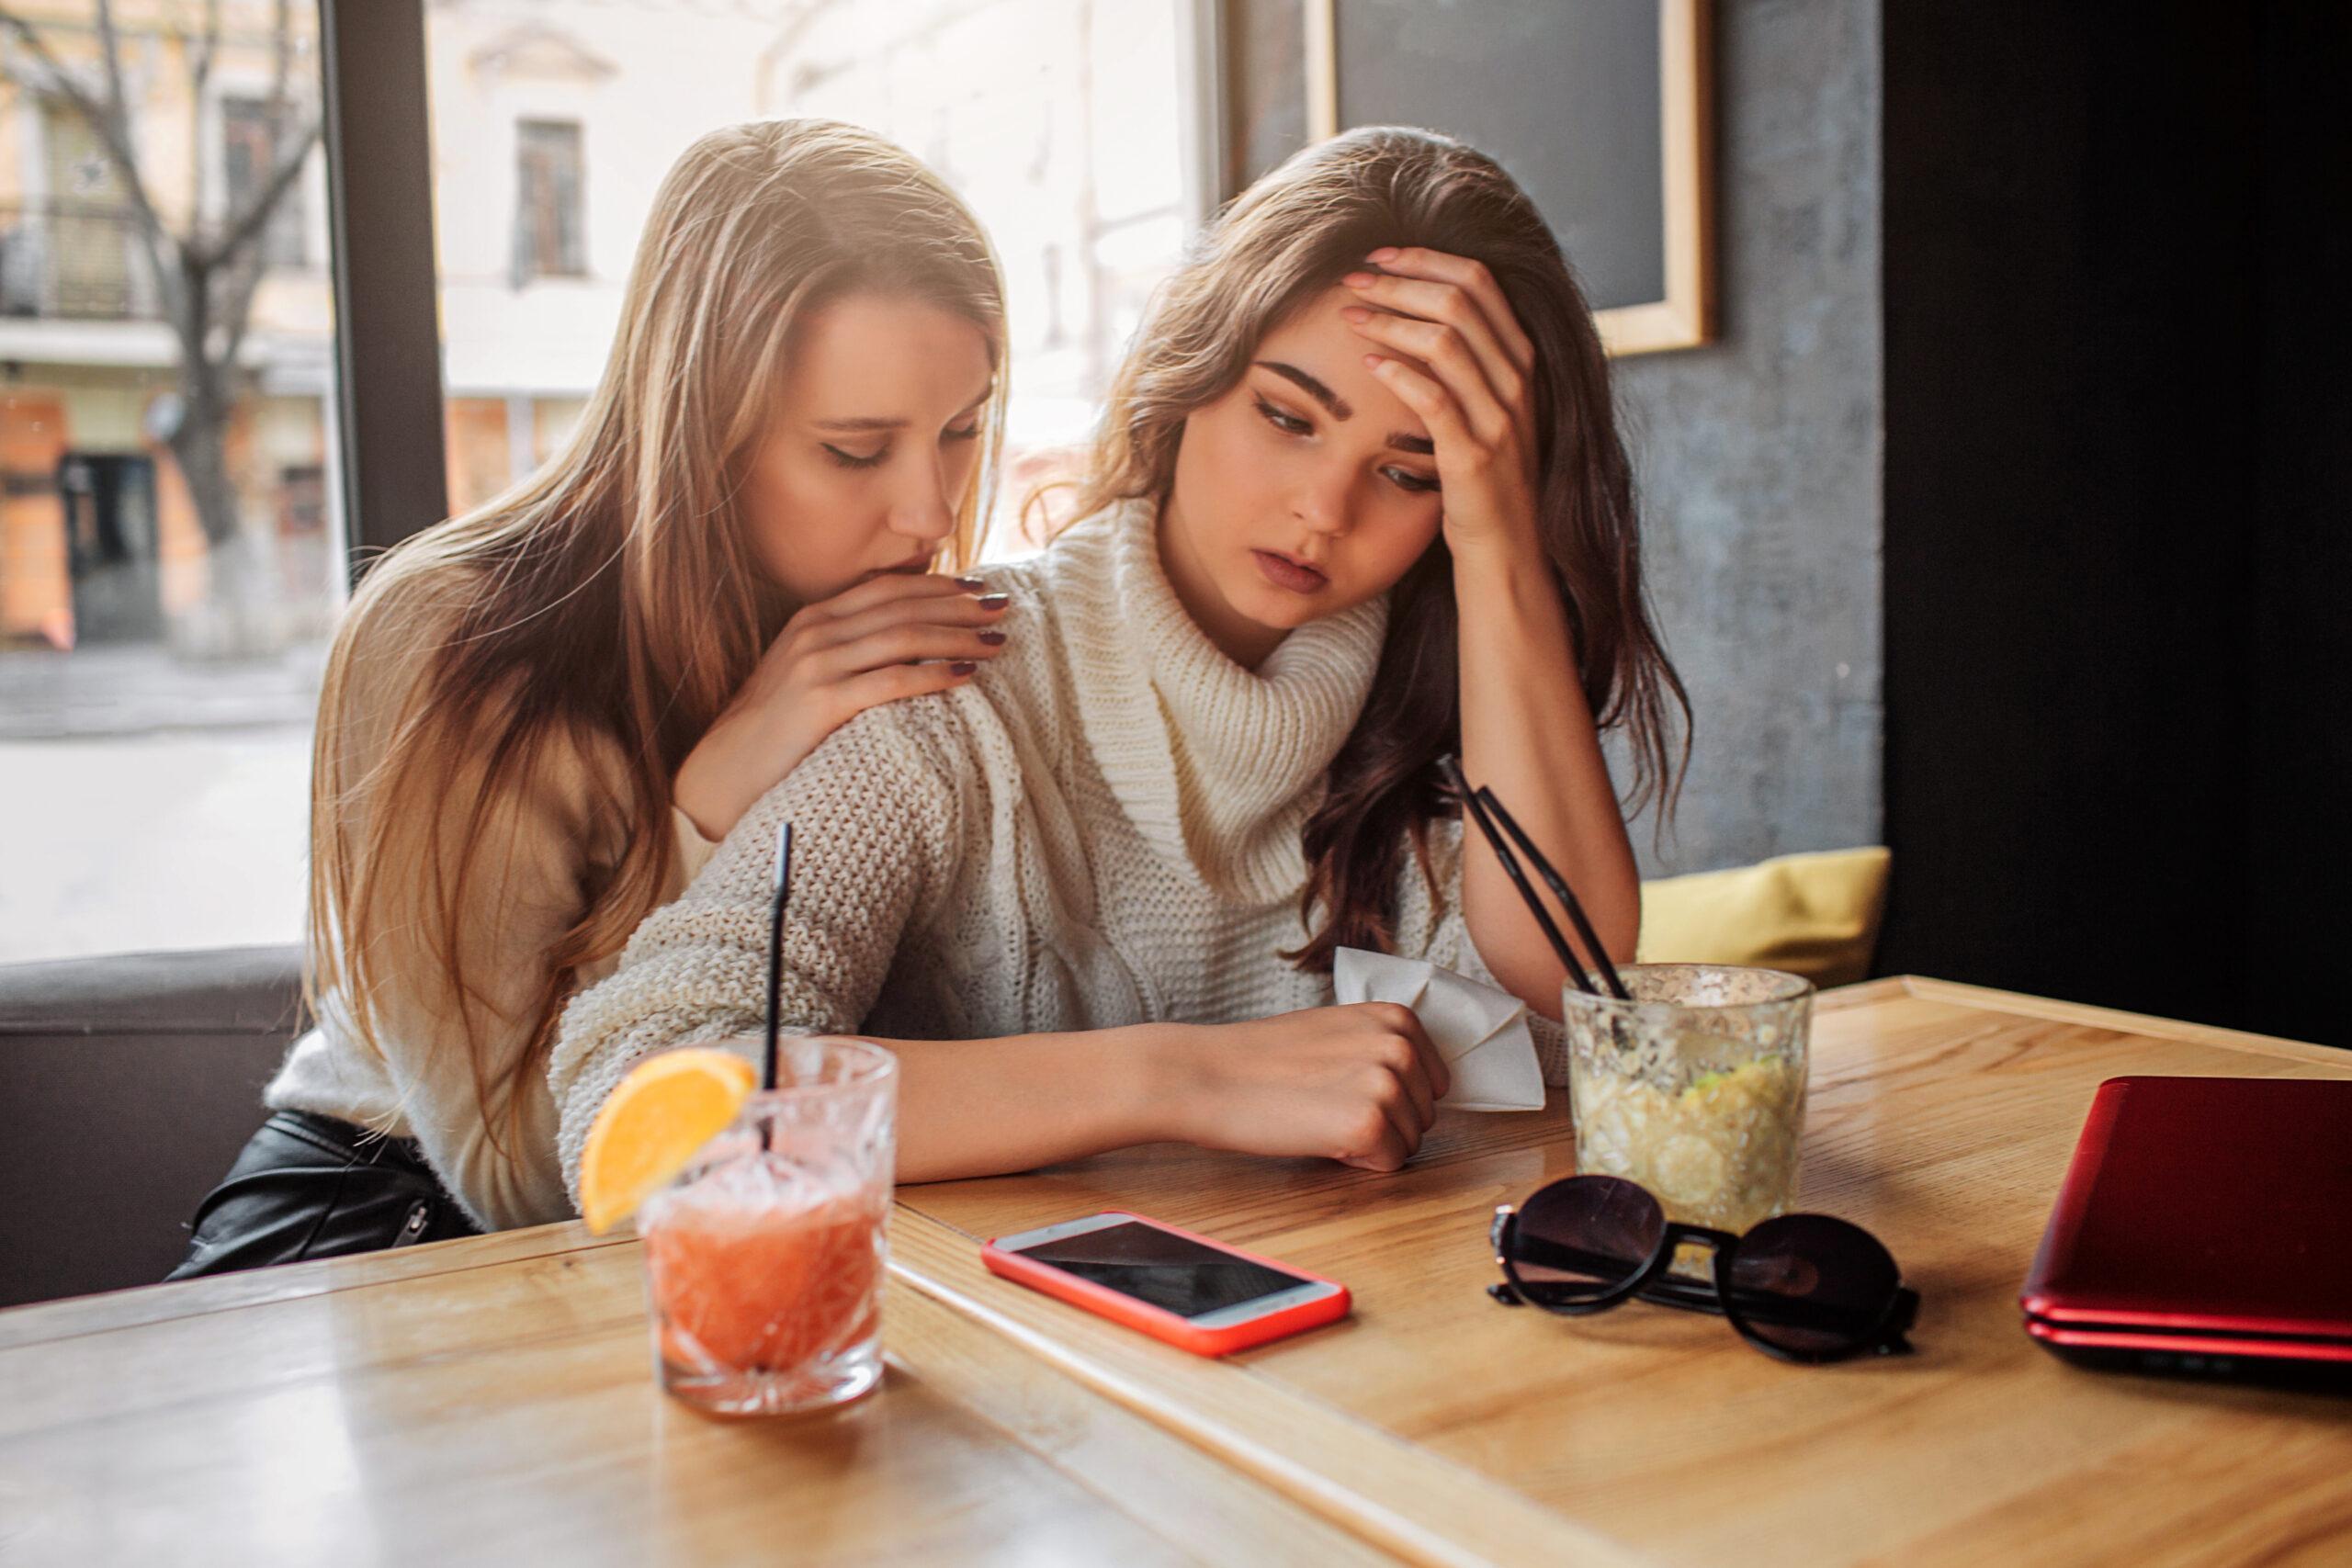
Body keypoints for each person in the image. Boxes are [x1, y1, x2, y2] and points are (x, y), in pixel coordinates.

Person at [549, 125, 1689, 1193]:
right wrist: (1180, 1076)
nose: (1321, 509)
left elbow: (1568, 996)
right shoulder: (956, 682)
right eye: (1288, 418)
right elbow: (642, 1102)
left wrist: (1496, 532)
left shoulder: (1453, 706)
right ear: (1189, 380)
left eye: (1411, 470)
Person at [171, 119, 1015, 1275]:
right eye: (854, 450)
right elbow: (522, 1169)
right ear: (702, 425)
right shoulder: (451, 634)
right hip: (387, 1215)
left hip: (754, 1214)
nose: (929, 511)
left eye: (962, 431)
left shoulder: (895, 611)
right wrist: (716, 795)